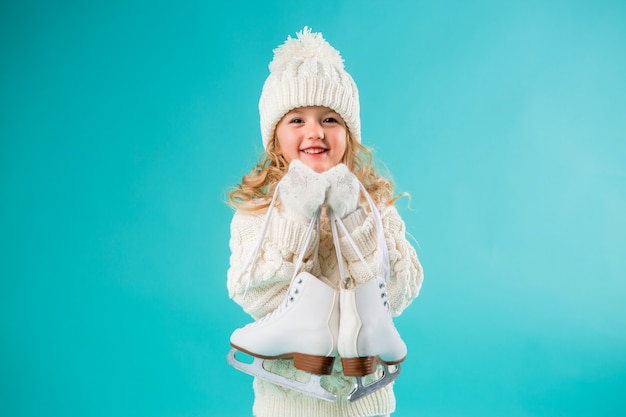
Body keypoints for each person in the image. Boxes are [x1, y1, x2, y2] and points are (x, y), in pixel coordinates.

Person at [226, 26, 424, 417]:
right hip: (287, 404)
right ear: (274, 137)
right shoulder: (260, 212)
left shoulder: (376, 205)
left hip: (364, 404)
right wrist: (295, 214)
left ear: (349, 133)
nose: (314, 131)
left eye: (330, 119)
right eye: (296, 120)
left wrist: (353, 215)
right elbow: (256, 299)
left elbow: (399, 294)